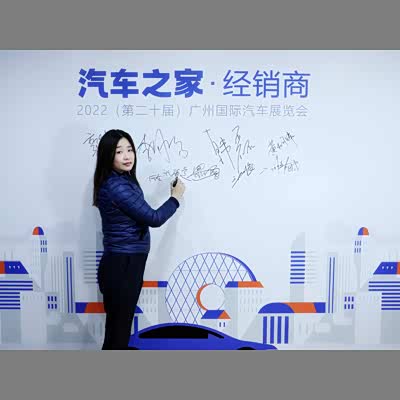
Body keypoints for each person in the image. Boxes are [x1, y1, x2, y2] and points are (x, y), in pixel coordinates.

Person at [92, 129, 185, 350]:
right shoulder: (117, 186)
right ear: (108, 155)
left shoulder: (121, 180)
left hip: (123, 262)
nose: (127, 156)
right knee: (118, 333)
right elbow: (154, 218)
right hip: (123, 264)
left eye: (130, 149)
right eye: (119, 152)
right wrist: (175, 198)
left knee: (118, 330)